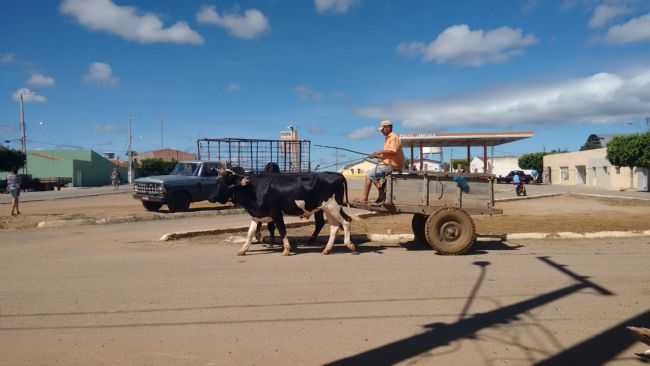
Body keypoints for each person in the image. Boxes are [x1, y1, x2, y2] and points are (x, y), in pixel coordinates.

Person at [361, 120, 405, 204]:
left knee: (369, 175)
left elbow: (393, 151)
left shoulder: (393, 137)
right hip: (389, 163)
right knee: (373, 175)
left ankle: (365, 198)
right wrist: (375, 156)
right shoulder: (388, 138)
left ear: (388, 127)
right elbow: (388, 155)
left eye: (382, 129)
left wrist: (378, 152)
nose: (381, 131)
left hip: (392, 165)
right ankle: (381, 192)